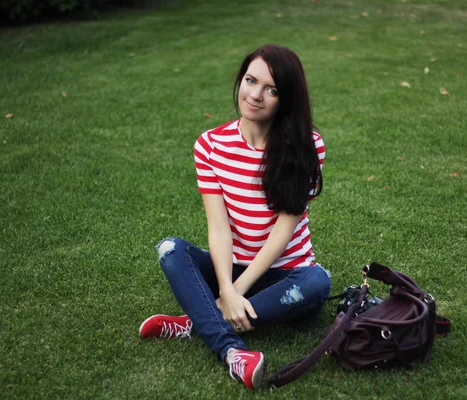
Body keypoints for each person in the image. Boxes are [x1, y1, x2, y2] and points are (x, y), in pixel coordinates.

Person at [138, 44, 331, 389]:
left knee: (319, 281)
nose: (255, 95)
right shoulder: (211, 145)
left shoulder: (307, 145)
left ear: (286, 99)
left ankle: (198, 322)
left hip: (287, 275)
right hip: (232, 266)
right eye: (250, 80)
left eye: (271, 90)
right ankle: (233, 352)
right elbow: (219, 227)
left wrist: (234, 292)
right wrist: (226, 286)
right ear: (240, 80)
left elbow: (282, 234)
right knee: (171, 249)